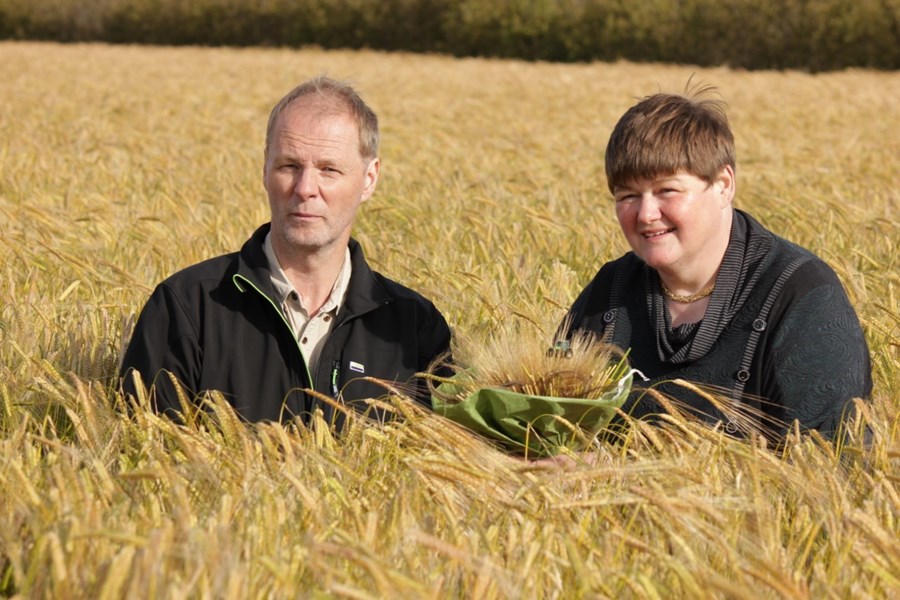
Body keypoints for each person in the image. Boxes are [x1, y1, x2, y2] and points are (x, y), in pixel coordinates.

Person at [120, 76, 451, 427]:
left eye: (329, 169)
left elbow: (448, 458)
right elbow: (145, 453)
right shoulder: (186, 308)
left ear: (369, 178)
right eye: (289, 166)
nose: (305, 188)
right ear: (265, 168)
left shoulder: (414, 327)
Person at [559, 86, 871, 440]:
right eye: (628, 195)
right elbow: (547, 419)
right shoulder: (610, 290)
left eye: (667, 190)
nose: (646, 214)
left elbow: (831, 463)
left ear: (723, 185)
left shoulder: (801, 298)